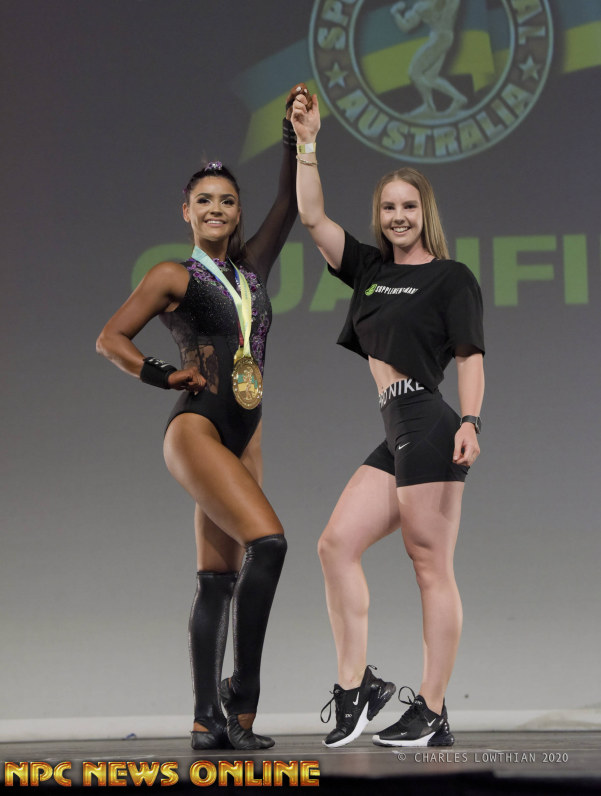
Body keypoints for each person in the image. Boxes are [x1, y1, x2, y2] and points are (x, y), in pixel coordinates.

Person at [96, 86, 309, 751]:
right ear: (186, 212)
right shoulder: (173, 275)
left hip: (245, 430)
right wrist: (161, 374)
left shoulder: (252, 271)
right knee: (271, 544)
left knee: (219, 577)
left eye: (228, 201)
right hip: (196, 428)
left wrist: (294, 136)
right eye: (205, 200)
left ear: (238, 213)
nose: (217, 208)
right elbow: (110, 339)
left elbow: (289, 205)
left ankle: (204, 721)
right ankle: (240, 701)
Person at [290, 90, 484, 748]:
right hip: (395, 429)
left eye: (408, 207)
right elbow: (311, 216)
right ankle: (358, 688)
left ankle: (432, 709)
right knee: (334, 545)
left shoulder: (451, 278)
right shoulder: (368, 269)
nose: (398, 216)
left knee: (430, 566)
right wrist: (307, 140)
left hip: (429, 424)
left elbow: (470, 356)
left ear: (424, 213)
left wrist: (472, 421)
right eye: (388, 208)